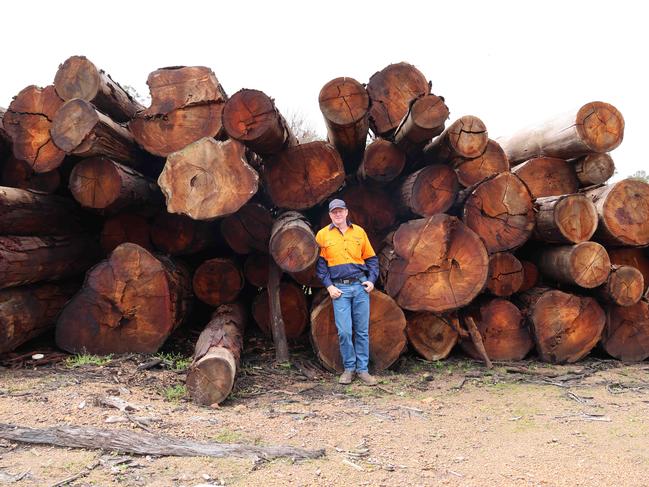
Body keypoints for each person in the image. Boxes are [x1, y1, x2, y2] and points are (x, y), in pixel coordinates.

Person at [315, 198, 379, 386]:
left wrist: (371, 280)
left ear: (346, 212)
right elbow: (320, 266)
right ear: (330, 215)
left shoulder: (359, 232)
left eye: (340, 211)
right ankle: (349, 368)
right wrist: (329, 286)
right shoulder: (322, 235)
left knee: (361, 331)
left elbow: (372, 259)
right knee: (344, 331)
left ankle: (363, 370)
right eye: (334, 212)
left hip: (360, 287)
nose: (338, 214)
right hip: (339, 289)